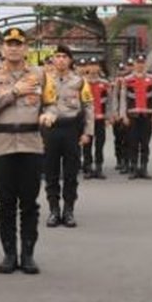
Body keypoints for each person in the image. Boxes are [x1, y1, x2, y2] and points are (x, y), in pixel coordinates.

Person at [0, 27, 46, 275]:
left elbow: (52, 104)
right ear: (2, 48)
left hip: (31, 143)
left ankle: (28, 254)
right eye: (9, 43)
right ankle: (9, 254)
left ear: (26, 48)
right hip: (3, 145)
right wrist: (13, 93)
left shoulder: (41, 75)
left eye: (19, 43)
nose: (14, 48)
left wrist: (50, 113)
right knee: (6, 203)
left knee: (29, 203)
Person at [41, 44, 93, 228]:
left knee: (71, 173)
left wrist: (88, 132)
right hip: (50, 130)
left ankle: (69, 210)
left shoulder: (79, 81)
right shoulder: (44, 80)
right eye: (58, 56)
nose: (61, 59)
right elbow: (36, 106)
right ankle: (54, 210)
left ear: (70, 60)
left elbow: (88, 107)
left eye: (64, 56)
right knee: (51, 172)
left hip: (71, 129)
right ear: (53, 60)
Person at [119, 54, 152, 180]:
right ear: (134, 65)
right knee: (132, 143)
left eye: (142, 63)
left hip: (147, 116)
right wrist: (123, 115)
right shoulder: (127, 79)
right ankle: (133, 168)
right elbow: (123, 99)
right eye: (138, 62)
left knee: (145, 143)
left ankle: (143, 168)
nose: (140, 65)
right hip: (132, 116)